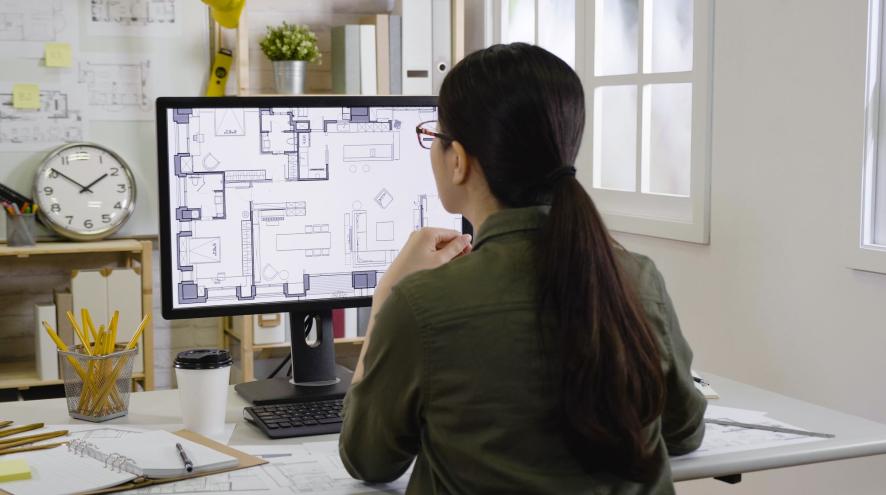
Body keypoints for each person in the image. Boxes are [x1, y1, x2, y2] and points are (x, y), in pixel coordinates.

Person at [339, 43, 706, 494]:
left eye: (434, 137)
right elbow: (683, 431)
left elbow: (367, 460)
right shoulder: (638, 279)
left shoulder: (422, 305)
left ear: (459, 161)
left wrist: (384, 301)